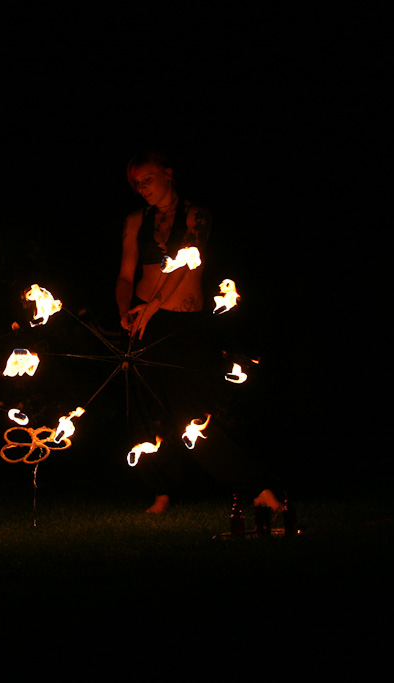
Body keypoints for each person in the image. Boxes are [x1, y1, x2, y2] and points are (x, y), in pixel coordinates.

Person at [116, 151, 280, 514]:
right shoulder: (135, 221)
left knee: (196, 408)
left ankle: (256, 486)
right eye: (137, 183)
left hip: (183, 323)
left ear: (168, 174)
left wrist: (154, 305)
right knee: (146, 409)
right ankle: (161, 492)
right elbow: (126, 275)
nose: (142, 188)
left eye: (148, 179)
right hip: (143, 321)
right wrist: (125, 310)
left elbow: (184, 262)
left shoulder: (197, 215)